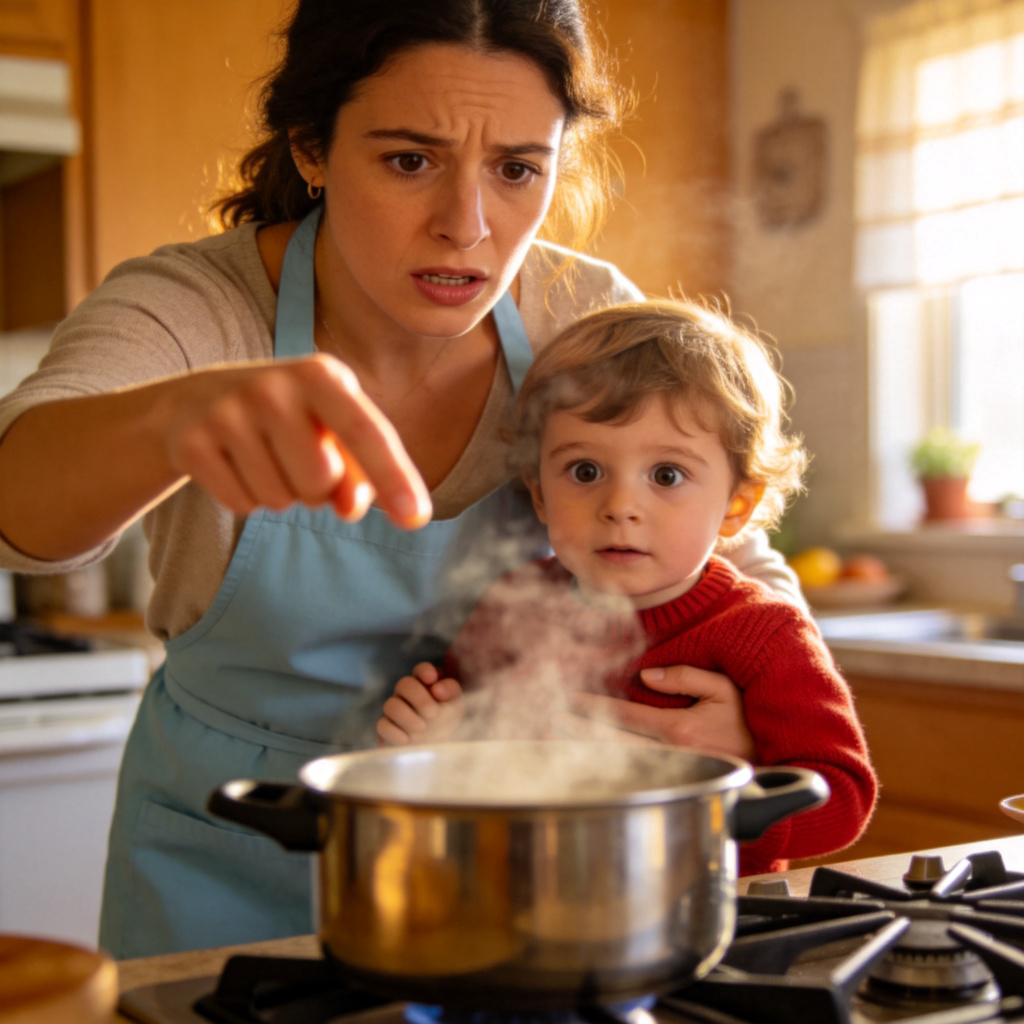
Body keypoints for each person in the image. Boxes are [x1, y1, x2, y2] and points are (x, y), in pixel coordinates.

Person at [0, 2, 803, 958]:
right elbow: (19, 505)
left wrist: (746, 723)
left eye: (516, 169)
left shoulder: (581, 316)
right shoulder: (193, 308)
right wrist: (169, 421)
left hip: (505, 856)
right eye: (409, 160)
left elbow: (734, 564)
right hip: (229, 854)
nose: (466, 226)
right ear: (310, 148)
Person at [378, 298, 878, 875]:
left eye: (667, 475)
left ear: (737, 507)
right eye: (584, 472)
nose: (620, 507)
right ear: (539, 492)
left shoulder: (763, 633)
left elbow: (843, 796)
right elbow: (466, 753)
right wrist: (430, 743)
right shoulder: (512, 604)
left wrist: (703, 806)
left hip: (707, 916)